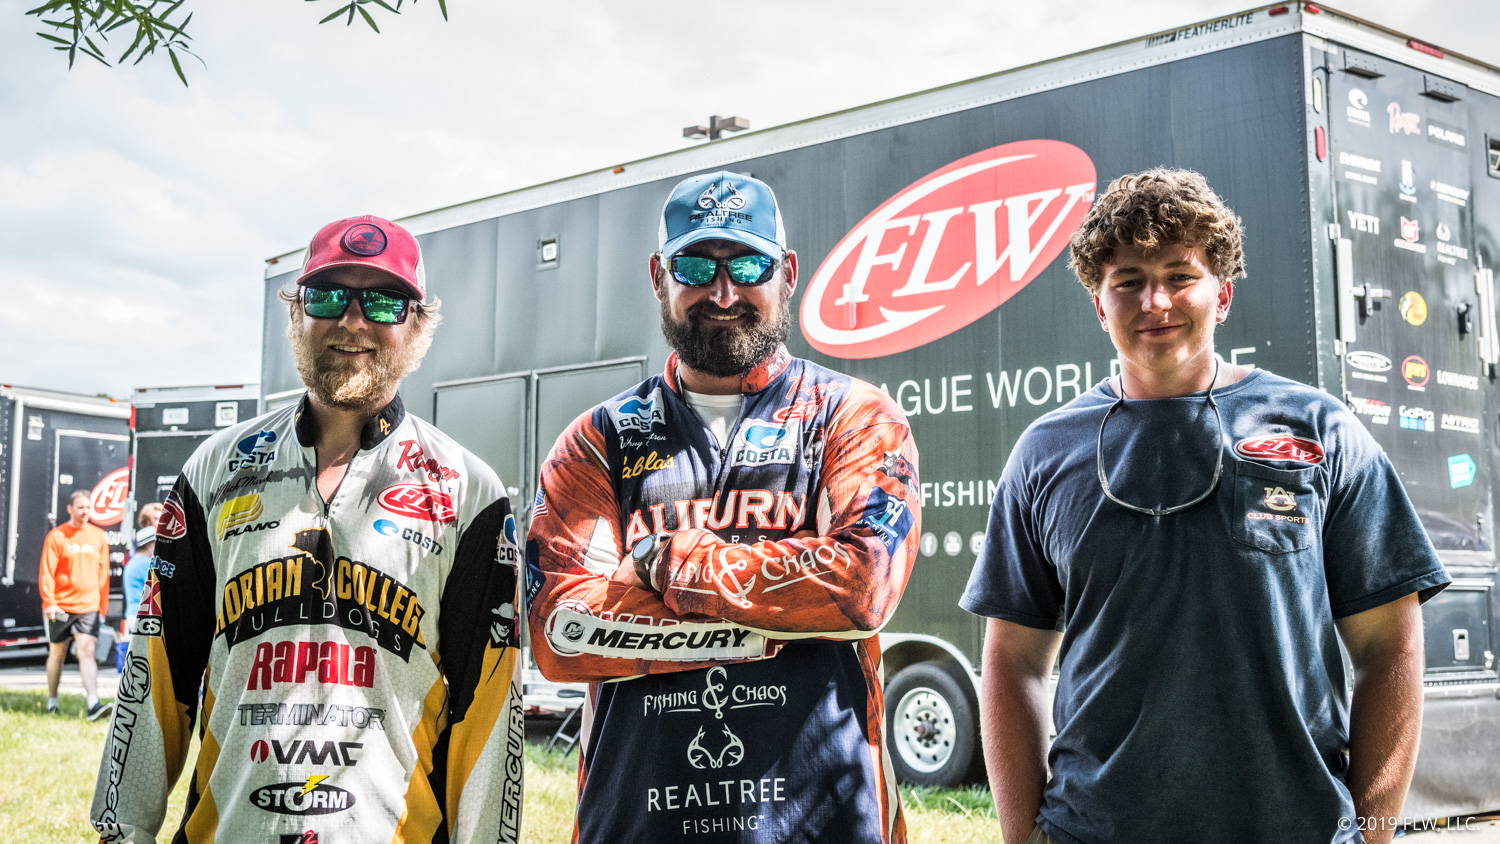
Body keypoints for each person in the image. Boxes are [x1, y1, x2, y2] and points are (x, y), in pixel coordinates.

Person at [960, 169, 1450, 844]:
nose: (1154, 299)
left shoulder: (1320, 431)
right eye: (1127, 280)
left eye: (1178, 274)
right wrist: (1023, 838)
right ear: (1100, 306)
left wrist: (1369, 833)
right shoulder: (1046, 453)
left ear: (1221, 294)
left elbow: (1389, 646)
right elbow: (1012, 663)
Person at [91, 215, 525, 844]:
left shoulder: (469, 491)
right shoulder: (215, 470)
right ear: (295, 315)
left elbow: (489, 711)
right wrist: (120, 829)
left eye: (383, 301)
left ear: (419, 327)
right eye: (327, 296)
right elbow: (158, 668)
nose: (353, 320)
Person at [527, 171, 922, 843]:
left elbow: (862, 586)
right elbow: (560, 634)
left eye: (747, 263)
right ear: (658, 275)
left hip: (823, 825)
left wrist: (664, 564)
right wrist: (787, 615)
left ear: (787, 272)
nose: (723, 291)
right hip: (634, 827)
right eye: (695, 265)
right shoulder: (598, 441)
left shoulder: (853, 417)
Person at [40, 488, 112, 720]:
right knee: (57, 654)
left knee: (87, 651)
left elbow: (104, 574)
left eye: (88, 508)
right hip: (60, 606)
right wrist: (49, 602)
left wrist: (102, 605)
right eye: (80, 507)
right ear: (70, 509)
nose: (85, 512)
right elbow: (47, 572)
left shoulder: (99, 536)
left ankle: (93, 704)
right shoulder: (57, 536)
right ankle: (52, 701)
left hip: (88, 606)